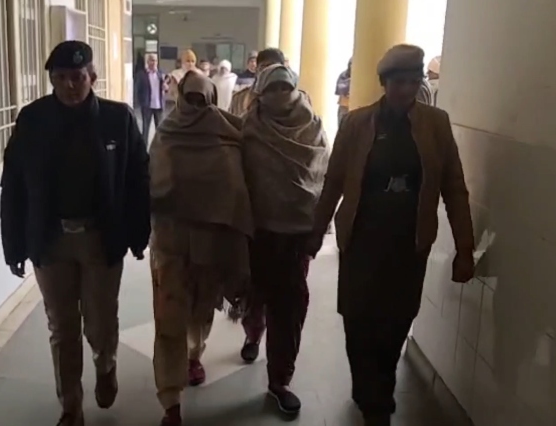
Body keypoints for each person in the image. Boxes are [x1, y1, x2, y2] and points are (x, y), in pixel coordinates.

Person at [306, 44, 474, 426]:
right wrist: (315, 233)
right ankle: (370, 393)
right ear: (384, 83)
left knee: (397, 318)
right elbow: (333, 182)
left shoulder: (436, 123)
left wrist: (465, 248)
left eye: (414, 81)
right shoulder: (357, 123)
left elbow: (454, 187)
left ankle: (379, 389)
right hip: (362, 237)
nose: (407, 90)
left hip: (409, 240)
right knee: (358, 317)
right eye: (400, 82)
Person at [0, 41, 150, 426]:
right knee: (62, 327)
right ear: (52, 80)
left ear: (92, 77)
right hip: (51, 240)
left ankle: (105, 365)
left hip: (100, 238)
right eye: (62, 78)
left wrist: (139, 233)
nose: (70, 85)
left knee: (100, 323)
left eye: (78, 77)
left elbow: (138, 179)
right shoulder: (33, 120)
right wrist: (13, 245)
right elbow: (13, 185)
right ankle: (71, 406)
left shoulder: (117, 118)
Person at [149, 70, 253, 426]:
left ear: (212, 100)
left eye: (202, 100)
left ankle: (195, 355)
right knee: (169, 319)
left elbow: (237, 187)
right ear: (180, 98)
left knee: (201, 310)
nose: (196, 106)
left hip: (211, 242)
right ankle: (170, 400)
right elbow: (153, 183)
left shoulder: (227, 135)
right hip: (171, 243)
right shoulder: (167, 134)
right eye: (190, 98)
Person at [240, 64, 329, 415]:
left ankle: (280, 381)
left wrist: (319, 228)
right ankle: (253, 333)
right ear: (260, 93)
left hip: (297, 234)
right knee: (254, 296)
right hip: (257, 231)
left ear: (295, 89)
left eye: (284, 87)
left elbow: (322, 177)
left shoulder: (314, 127)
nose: (279, 95)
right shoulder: (249, 127)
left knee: (290, 307)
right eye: (271, 88)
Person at [229, 48, 285, 117]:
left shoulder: (292, 101)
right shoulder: (238, 99)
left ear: (282, 70)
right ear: (257, 69)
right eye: (264, 67)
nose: (268, 72)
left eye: (273, 68)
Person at [135, 53, 168, 141]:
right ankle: (143, 147)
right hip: (147, 106)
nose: (154, 63)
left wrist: (166, 88)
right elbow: (137, 89)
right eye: (152, 60)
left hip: (159, 105)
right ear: (148, 61)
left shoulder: (160, 74)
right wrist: (141, 102)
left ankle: (159, 147)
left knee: (160, 129)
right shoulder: (142, 74)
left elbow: (166, 88)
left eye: (155, 60)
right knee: (145, 129)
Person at [335, 58, 352, 125]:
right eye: (351, 64)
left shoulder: (361, 77)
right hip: (344, 107)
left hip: (355, 108)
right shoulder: (343, 75)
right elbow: (339, 89)